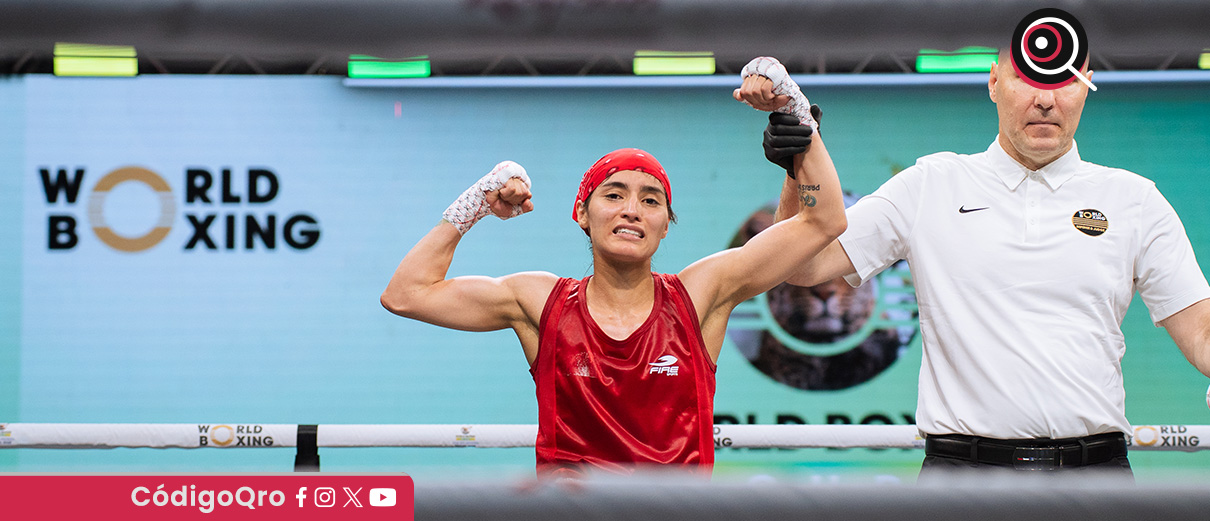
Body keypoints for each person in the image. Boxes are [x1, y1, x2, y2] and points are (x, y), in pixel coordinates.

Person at [735, 51, 1210, 480]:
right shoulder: (930, 185)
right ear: (994, 81)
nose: (1045, 100)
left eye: (1063, 81)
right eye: (1028, 79)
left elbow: (1202, 332)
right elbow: (801, 267)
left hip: (1096, 476)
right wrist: (800, 158)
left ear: (1086, 83)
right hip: (961, 480)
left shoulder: (1134, 199)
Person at [380, 142, 845, 478]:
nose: (632, 210)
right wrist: (479, 200)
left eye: (650, 200)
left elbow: (824, 221)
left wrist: (802, 132)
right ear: (582, 213)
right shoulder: (540, 302)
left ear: (666, 225)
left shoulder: (701, 295)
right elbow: (406, 293)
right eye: (614, 194)